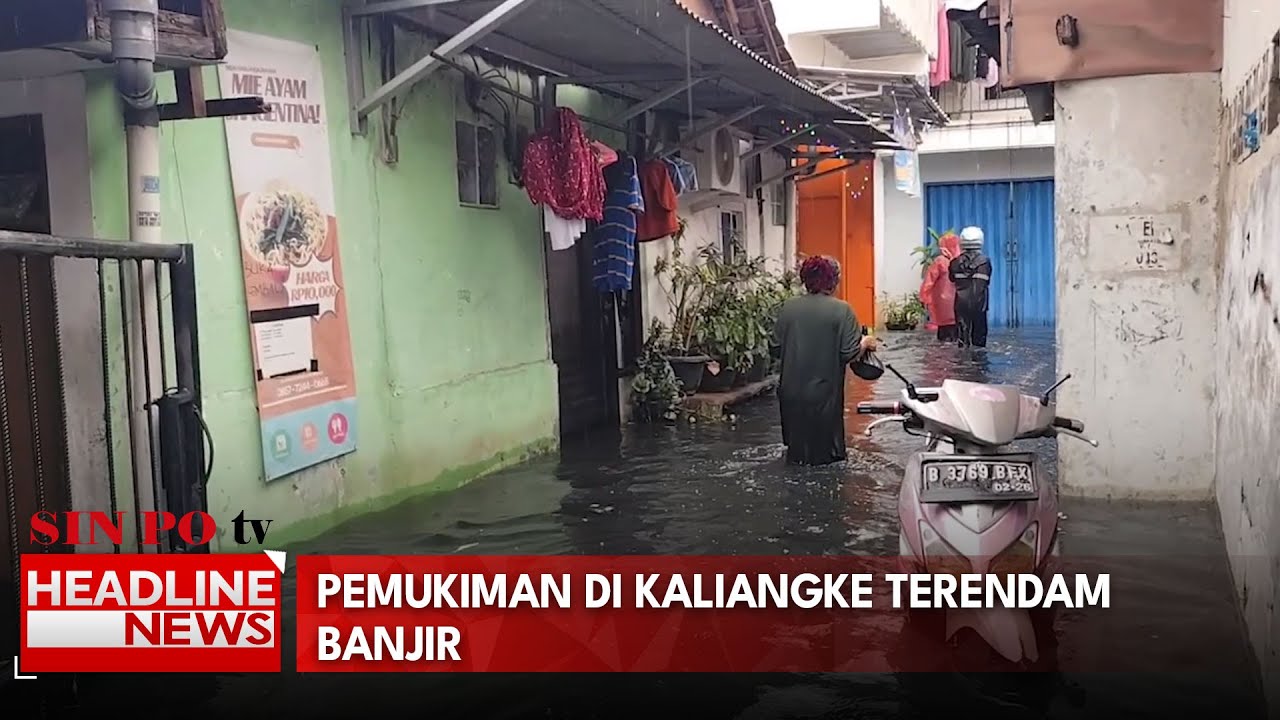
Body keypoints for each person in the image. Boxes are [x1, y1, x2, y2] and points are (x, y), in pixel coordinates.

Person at [771, 255, 880, 466]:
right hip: (824, 398)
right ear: (833, 281)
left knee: (796, 459)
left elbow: (775, 348)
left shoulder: (788, 308)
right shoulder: (842, 310)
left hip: (790, 395)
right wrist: (866, 342)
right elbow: (849, 353)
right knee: (827, 460)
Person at [949, 225, 993, 348]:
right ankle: (979, 365)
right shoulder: (985, 262)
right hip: (980, 305)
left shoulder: (954, 262)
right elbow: (987, 281)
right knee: (979, 341)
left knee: (962, 341)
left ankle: (962, 364)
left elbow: (951, 279)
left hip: (961, 305)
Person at [920, 231, 961, 342]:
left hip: (942, 305)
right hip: (959, 302)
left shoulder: (940, 261)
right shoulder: (961, 262)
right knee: (957, 336)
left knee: (943, 335)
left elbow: (929, 281)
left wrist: (924, 298)